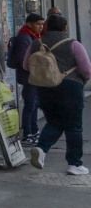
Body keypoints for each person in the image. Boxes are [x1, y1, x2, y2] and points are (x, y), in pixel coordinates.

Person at [27, 15, 91, 175]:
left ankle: (41, 149)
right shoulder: (73, 44)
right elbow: (87, 70)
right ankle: (74, 164)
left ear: (47, 26)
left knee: (55, 122)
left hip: (44, 88)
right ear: (65, 27)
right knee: (74, 126)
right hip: (70, 87)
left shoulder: (36, 43)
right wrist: (81, 80)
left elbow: (25, 65)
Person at [7, 13, 45, 146]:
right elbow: (23, 59)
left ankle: (34, 131)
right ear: (29, 24)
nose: (41, 27)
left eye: (42, 24)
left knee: (33, 104)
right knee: (30, 104)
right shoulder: (24, 37)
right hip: (28, 77)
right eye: (38, 24)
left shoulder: (33, 36)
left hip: (32, 76)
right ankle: (27, 133)